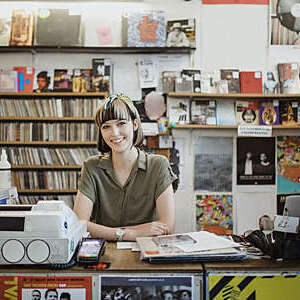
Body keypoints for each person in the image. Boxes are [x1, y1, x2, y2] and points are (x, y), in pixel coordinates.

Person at [73, 94, 177, 242]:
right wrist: (129, 234)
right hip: (105, 253)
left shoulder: (158, 165)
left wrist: (105, 231)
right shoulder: (91, 167)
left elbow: (167, 227)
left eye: (121, 123)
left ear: (135, 125)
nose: (114, 133)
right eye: (106, 126)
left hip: (149, 251)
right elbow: (79, 225)